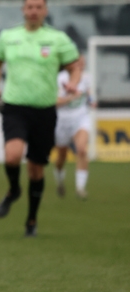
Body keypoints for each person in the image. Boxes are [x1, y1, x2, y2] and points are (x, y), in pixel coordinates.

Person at [0, 0, 82, 237]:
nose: (33, 11)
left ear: (45, 10)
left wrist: (73, 82)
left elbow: (75, 65)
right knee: (12, 156)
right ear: (23, 9)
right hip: (15, 107)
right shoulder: (8, 37)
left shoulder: (57, 39)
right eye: (29, 6)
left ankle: (31, 220)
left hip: (44, 111)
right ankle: (13, 190)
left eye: (38, 7)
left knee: (36, 170)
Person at [53, 63, 94, 199]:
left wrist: (91, 100)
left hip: (80, 118)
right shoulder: (59, 78)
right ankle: (60, 181)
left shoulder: (86, 77)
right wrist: (71, 97)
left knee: (81, 149)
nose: (81, 65)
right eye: (78, 62)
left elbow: (88, 93)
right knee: (61, 158)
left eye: (83, 62)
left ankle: (80, 188)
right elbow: (55, 102)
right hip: (62, 121)